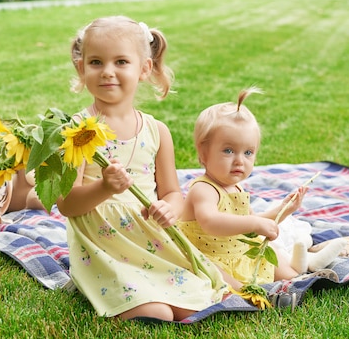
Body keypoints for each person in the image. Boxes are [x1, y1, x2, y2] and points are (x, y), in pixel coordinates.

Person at [56, 16, 229, 321]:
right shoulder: (76, 132)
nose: (108, 72)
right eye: (96, 62)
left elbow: (173, 192)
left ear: (144, 69)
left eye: (121, 61)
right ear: (82, 68)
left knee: (197, 299)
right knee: (155, 311)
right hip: (103, 243)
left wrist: (170, 208)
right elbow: (68, 204)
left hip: (150, 238)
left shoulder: (156, 130)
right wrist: (105, 187)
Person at [178, 87, 341, 292]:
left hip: (238, 253)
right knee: (218, 277)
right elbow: (210, 222)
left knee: (269, 254)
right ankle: (248, 295)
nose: (239, 160)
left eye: (248, 152)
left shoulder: (236, 187)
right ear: (203, 153)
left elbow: (257, 220)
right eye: (228, 151)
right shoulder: (203, 189)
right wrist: (254, 224)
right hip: (207, 256)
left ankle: (296, 280)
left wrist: (283, 210)